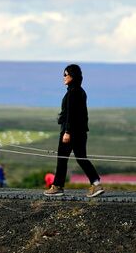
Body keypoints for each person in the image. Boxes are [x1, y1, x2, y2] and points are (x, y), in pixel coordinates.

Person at [44, 64, 104, 197]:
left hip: (70, 132)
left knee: (62, 158)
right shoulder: (80, 91)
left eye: (66, 74)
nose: (63, 77)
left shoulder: (72, 92)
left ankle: (57, 186)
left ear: (72, 76)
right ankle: (96, 184)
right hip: (81, 132)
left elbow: (72, 114)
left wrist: (67, 132)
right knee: (81, 158)